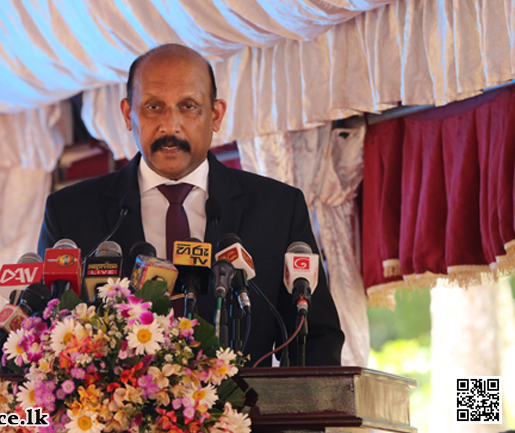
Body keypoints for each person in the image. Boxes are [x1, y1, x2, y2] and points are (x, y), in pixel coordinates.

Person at [38, 44, 344, 366]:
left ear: (215, 115)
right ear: (128, 114)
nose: (171, 126)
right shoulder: (70, 213)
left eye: (188, 106)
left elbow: (314, 337)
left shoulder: (278, 208)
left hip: (245, 413)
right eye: (154, 107)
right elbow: (43, 332)